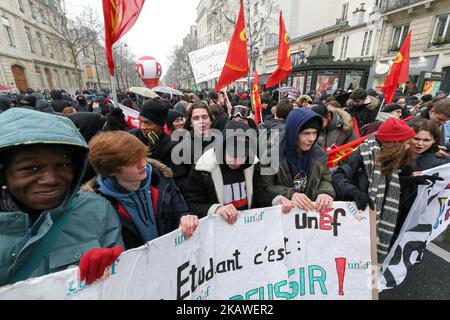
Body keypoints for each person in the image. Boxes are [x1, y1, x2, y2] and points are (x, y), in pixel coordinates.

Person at [0, 108, 123, 286]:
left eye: (63, 165)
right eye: (31, 168)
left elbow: (122, 286)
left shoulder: (96, 210)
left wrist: (111, 269)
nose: (51, 179)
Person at [332, 118, 442, 263]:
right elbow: (338, 176)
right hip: (355, 216)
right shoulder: (363, 154)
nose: (410, 147)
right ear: (393, 144)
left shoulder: (400, 159)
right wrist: (353, 191)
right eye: (407, 143)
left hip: (379, 220)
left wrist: (410, 182)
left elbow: (392, 187)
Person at [85, 131, 198, 250]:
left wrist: (185, 218)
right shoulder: (97, 206)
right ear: (111, 170)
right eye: (132, 163)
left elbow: (180, 211)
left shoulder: (161, 179)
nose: (142, 164)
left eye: (142, 157)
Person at [183, 121, 294, 222]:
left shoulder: (252, 166)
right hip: (217, 231)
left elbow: (258, 194)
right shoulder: (204, 168)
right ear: (223, 148)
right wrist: (216, 209)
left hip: (244, 229)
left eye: (243, 154)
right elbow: (192, 203)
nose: (238, 160)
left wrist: (276, 200)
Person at [261, 108, 335, 212]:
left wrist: (325, 192)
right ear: (293, 132)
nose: (312, 138)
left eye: (315, 133)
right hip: (284, 214)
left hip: (311, 215)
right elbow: (266, 187)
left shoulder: (319, 154)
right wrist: (291, 194)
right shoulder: (270, 154)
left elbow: (325, 178)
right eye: (306, 133)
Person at [129, 98, 179, 170]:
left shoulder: (172, 146)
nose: (143, 127)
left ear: (160, 124)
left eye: (148, 123)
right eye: (141, 121)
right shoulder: (133, 136)